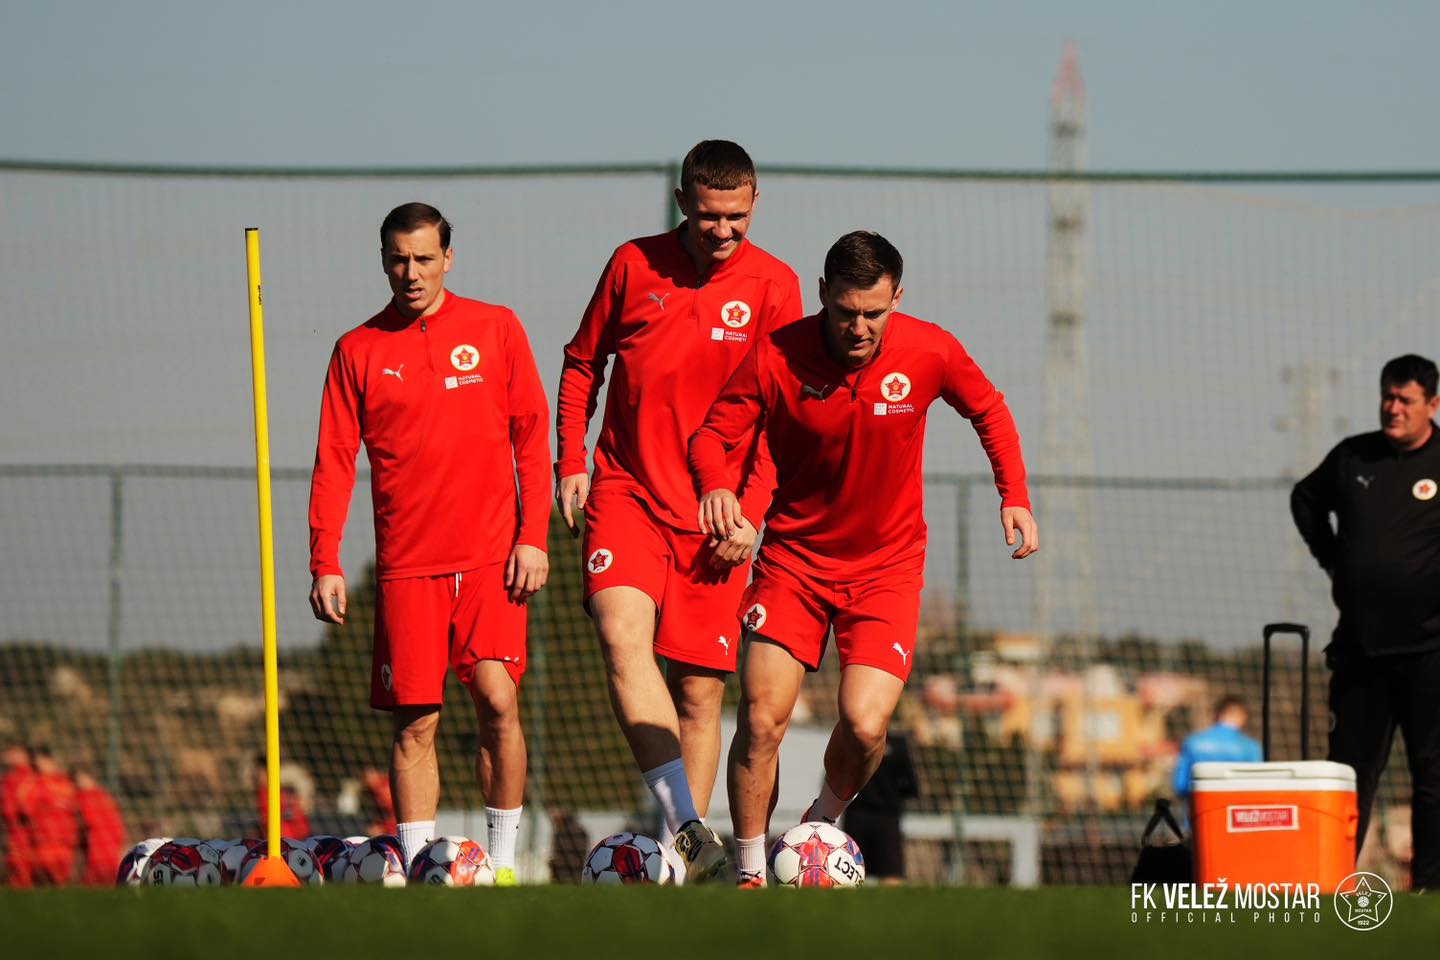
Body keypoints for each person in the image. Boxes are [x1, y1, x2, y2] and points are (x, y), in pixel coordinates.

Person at [690, 231, 1036, 886]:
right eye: (845, 311)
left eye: (873, 313)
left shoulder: (929, 350)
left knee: (865, 723)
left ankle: (819, 824)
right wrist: (716, 486)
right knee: (761, 719)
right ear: (823, 294)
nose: (858, 327)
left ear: (897, 299)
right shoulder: (775, 356)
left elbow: (989, 409)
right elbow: (713, 433)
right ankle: (748, 872)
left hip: (886, 571)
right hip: (793, 563)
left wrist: (1013, 494)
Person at [554, 140, 803, 884]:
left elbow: (783, 419)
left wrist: (749, 515)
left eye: (735, 217)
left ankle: (676, 864)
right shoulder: (633, 264)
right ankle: (690, 832)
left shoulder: (777, 286)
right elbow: (581, 362)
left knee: (698, 691)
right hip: (626, 489)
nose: (722, 230)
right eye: (707, 216)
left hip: (716, 516)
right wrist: (572, 460)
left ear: (754, 203)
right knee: (619, 634)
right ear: (682, 203)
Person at [308, 202, 552, 885]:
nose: (410, 272)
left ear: (448, 258)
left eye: (423, 258)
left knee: (498, 700)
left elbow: (532, 437)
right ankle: (420, 869)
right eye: (398, 259)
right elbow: (333, 460)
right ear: (383, 262)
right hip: (407, 568)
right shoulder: (356, 350)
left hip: (491, 559)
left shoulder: (496, 328)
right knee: (416, 723)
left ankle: (503, 866)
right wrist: (325, 559)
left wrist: (532, 538)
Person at [1291, 353, 1440, 890]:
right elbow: (1305, 500)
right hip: (1361, 649)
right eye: (1387, 397)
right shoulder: (1353, 456)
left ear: (1432, 405)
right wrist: (1333, 558)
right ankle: (1333, 882)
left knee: (1433, 777)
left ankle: (1429, 892)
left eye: (1406, 400)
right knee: (1348, 777)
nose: (1393, 408)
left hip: (1430, 652)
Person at [840, 730, 917, 884]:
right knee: (850, 869)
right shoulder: (849, 741)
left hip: (879, 815)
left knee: (889, 871)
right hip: (865, 814)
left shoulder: (896, 744)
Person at [1170, 695, 1262, 807]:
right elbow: (1256, 785)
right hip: (1236, 809)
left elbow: (1180, 784)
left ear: (1216, 714)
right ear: (1242, 716)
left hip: (1199, 808)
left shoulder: (1193, 742)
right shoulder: (1250, 747)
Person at [26, 747, 78, 885]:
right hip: (45, 842)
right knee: (46, 882)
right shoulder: (36, 783)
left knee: (61, 884)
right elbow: (26, 808)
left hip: (66, 843)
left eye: (42, 761)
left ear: (51, 761)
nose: (39, 765)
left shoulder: (67, 782)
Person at [71, 766, 125, 888]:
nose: (78, 783)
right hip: (105, 843)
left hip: (99, 843)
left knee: (94, 880)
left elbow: (86, 821)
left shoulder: (86, 797)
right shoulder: (103, 796)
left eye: (80, 779)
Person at [1, 743, 35, 887]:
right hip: (12, 828)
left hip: (22, 829)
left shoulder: (27, 776)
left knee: (21, 866)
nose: (6, 756)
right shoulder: (10, 777)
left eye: (12, 752)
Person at [253, 754, 310, 840]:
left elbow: (298, 820)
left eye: (259, 772)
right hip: (285, 838)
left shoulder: (274, 792)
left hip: (287, 839)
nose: (255, 775)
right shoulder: (265, 791)